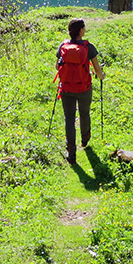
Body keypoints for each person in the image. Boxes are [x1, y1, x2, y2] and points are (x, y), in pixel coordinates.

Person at [56, 18, 104, 163]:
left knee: (69, 119)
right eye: (84, 27)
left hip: (66, 88)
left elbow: (58, 68)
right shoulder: (88, 47)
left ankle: (71, 152)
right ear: (81, 30)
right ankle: (85, 138)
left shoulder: (63, 46)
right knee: (84, 113)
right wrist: (102, 74)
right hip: (83, 88)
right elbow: (97, 73)